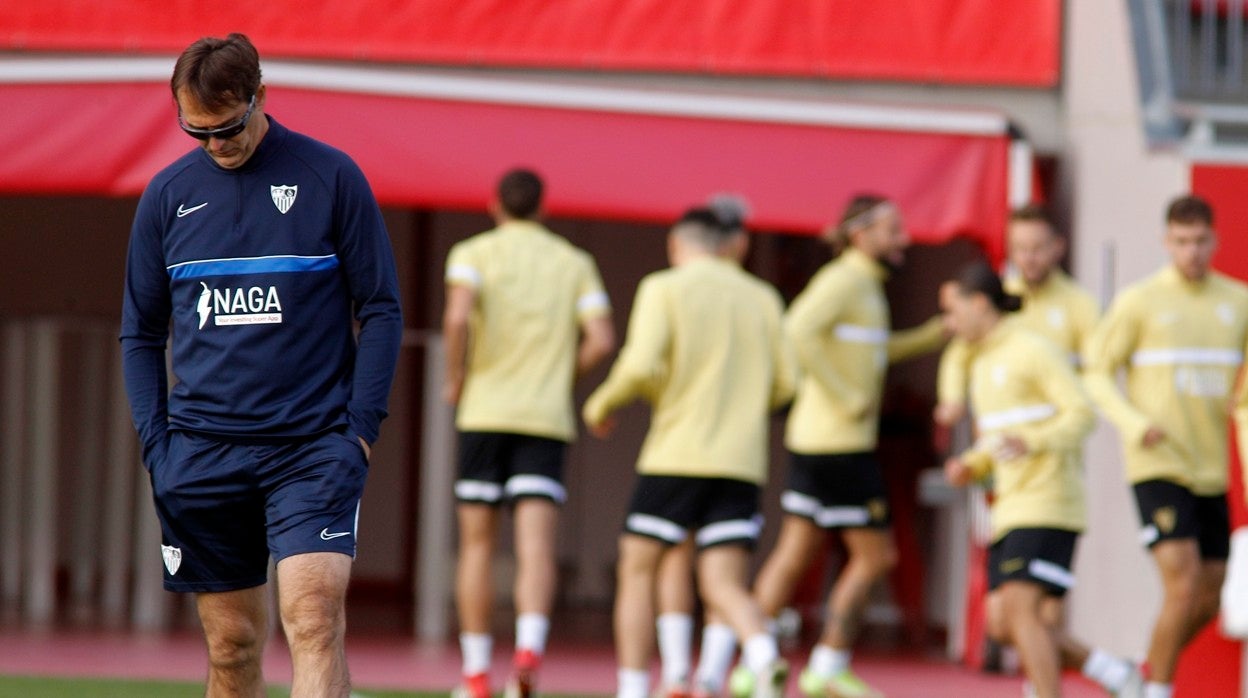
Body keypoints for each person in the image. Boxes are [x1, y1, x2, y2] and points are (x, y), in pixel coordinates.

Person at [119, 33, 403, 697]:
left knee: (314, 618)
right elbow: (140, 332)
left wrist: (359, 433)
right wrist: (157, 447)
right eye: (198, 132)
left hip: (313, 448)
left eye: (228, 127)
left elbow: (382, 309)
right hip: (201, 454)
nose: (217, 144)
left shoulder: (331, 177)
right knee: (233, 646)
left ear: (261, 97)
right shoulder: (166, 196)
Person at [728, 194, 944, 698]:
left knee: (795, 552)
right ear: (860, 235)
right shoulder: (843, 281)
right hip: (839, 445)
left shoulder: (864, 285)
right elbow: (797, 329)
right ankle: (827, 664)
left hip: (818, 442)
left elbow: (873, 351)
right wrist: (844, 395)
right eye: (893, 229)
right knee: (876, 558)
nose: (903, 239)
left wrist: (935, 335)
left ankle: (751, 667)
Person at [583, 207, 798, 698]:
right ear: (728, 245)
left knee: (639, 567)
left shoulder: (664, 287)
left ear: (677, 245)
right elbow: (788, 382)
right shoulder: (763, 297)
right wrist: (744, 405)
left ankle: (636, 688)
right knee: (721, 580)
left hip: (676, 454)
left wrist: (602, 404)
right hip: (741, 461)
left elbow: (640, 365)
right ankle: (754, 658)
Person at [442, 167, 616, 698]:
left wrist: (455, 376)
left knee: (477, 545)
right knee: (536, 545)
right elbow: (602, 339)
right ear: (543, 207)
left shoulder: (473, 252)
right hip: (544, 418)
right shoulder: (574, 261)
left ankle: (476, 676)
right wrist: (562, 377)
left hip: (484, 412)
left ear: (495, 204)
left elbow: (457, 318)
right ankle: (528, 654)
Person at [940, 263, 1141, 698]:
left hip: (1049, 501)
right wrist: (972, 464)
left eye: (952, 311)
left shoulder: (1033, 349)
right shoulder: (981, 361)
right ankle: (1113, 671)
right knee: (1002, 622)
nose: (948, 323)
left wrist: (1032, 441)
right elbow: (998, 440)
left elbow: (1082, 414)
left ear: (980, 304)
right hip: (1010, 505)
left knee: (1021, 611)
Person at [1084, 195, 1248, 698]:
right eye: (1181, 241)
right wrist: (1134, 423)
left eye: (1199, 241)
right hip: (1157, 463)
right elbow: (1095, 372)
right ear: (1165, 242)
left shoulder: (1238, 301)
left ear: (1215, 240)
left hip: (1210, 468)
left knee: (1208, 594)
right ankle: (1155, 691)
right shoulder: (1139, 301)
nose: (1191, 251)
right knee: (1182, 581)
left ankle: (1142, 670)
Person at [935, 204, 1100, 427]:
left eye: (1037, 248)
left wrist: (1071, 415)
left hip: (1056, 431)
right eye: (1020, 248)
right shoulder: (998, 297)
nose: (1029, 258)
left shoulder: (1081, 304)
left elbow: (1097, 369)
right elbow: (959, 353)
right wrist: (953, 398)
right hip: (1001, 430)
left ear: (1058, 247)